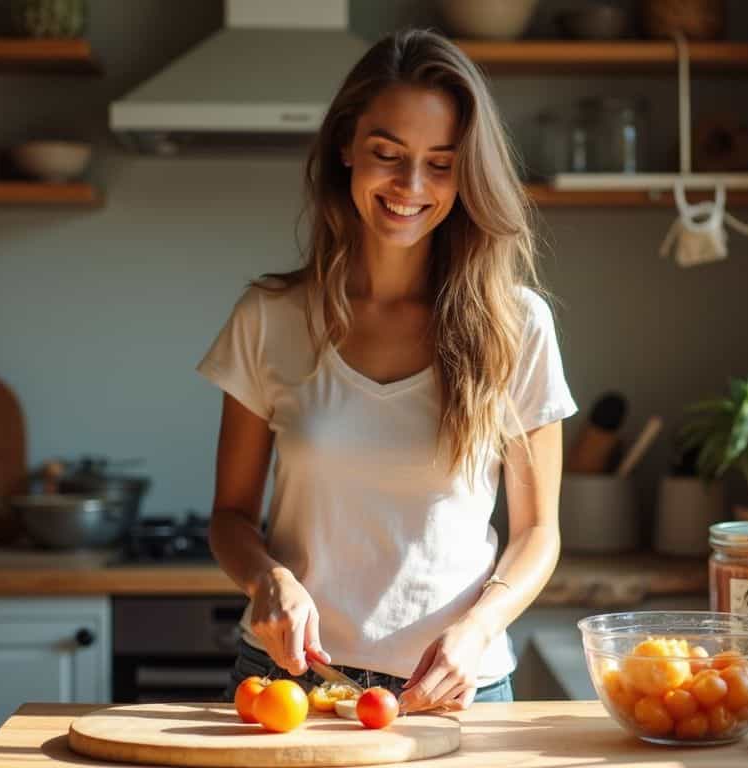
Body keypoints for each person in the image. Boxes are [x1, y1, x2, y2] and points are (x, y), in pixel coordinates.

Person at [200, 29, 577, 713]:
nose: (411, 186)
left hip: (459, 689)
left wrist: (478, 628)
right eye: (388, 154)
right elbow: (229, 517)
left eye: (440, 163)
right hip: (286, 686)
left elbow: (536, 533)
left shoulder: (515, 325)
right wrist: (268, 580)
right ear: (346, 147)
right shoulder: (269, 316)